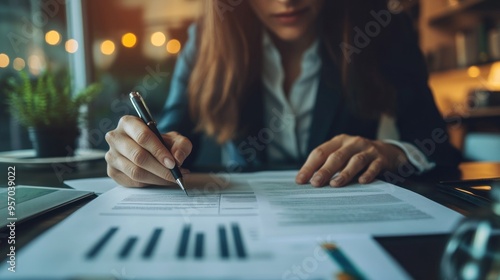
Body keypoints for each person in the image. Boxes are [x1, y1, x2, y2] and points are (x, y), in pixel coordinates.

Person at [105, 0, 461, 188]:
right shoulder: (206, 41)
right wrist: (143, 155)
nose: (286, 1)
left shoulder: (383, 27)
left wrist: (396, 153)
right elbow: (167, 137)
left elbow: (436, 145)